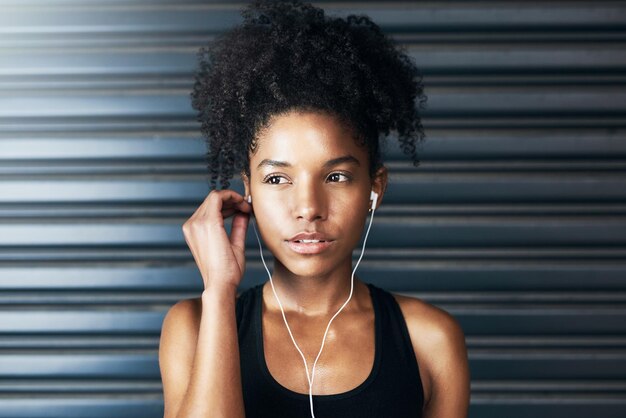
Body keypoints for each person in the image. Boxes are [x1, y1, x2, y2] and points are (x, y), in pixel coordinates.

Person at [158, 1, 470, 417]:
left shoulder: (429, 338)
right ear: (246, 189)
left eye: (336, 177)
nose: (308, 208)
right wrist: (218, 292)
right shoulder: (193, 327)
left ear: (375, 187)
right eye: (277, 179)